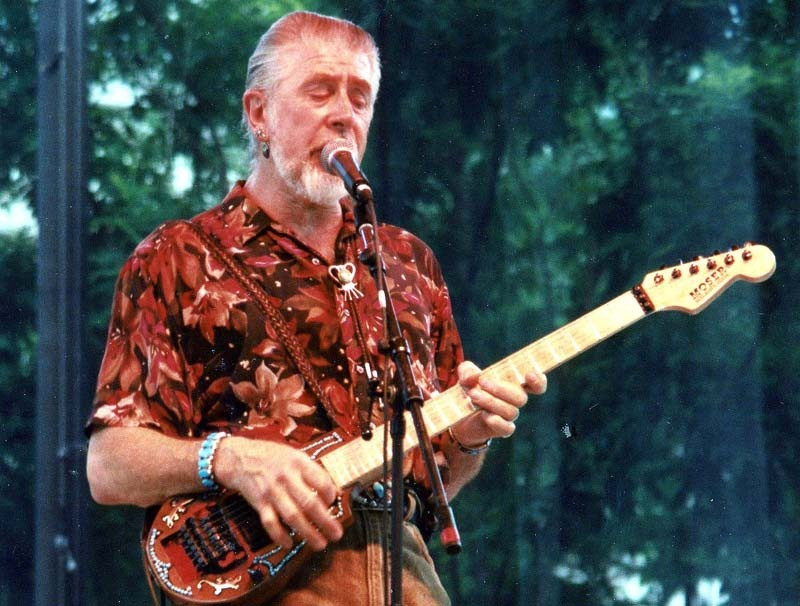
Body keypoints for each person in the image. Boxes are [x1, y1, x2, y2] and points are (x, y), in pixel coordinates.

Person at [86, 10, 546, 606]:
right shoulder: (176, 255)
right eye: (320, 91)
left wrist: (472, 436)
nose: (344, 114)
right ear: (259, 113)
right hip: (266, 583)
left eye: (360, 97)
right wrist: (229, 459)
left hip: (405, 573)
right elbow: (109, 466)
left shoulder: (408, 263)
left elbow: (436, 490)